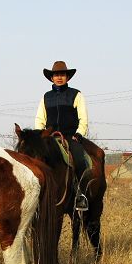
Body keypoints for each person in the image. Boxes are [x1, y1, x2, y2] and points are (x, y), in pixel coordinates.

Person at [34, 61, 90, 210]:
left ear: (67, 77)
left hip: (70, 136)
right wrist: (41, 136)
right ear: (52, 78)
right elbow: (40, 119)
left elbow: (83, 118)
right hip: (50, 138)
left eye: (62, 74)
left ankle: (80, 194)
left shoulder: (76, 95)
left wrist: (79, 134)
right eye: (56, 75)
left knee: (79, 158)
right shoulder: (46, 97)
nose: (59, 77)